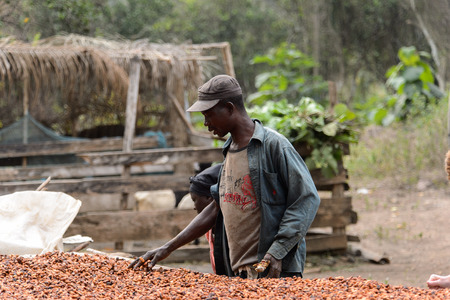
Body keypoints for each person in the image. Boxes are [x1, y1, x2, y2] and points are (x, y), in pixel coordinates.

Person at [129, 74, 320, 279]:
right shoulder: (229, 150)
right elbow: (217, 207)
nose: (205, 123)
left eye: (209, 114)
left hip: (273, 270)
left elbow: (307, 199)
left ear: (229, 108)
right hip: (241, 274)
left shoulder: (274, 146)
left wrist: (277, 251)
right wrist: (166, 248)